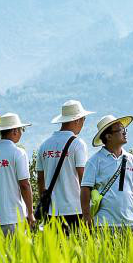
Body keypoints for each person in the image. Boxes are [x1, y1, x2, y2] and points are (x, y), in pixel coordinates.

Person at [36, 99, 92, 232]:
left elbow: (40, 179)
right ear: (76, 120)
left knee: (56, 251)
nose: (83, 123)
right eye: (83, 119)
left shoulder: (44, 145)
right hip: (75, 209)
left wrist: (45, 201)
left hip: (51, 211)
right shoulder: (78, 144)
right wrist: (88, 209)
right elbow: (82, 178)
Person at [80, 114, 133, 229]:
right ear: (109, 136)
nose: (125, 132)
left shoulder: (131, 159)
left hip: (131, 223)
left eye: (124, 129)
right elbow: (85, 189)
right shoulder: (95, 161)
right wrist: (86, 216)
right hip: (104, 224)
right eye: (120, 130)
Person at [0, 112, 34, 234]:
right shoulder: (18, 153)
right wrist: (30, 213)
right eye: (21, 129)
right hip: (13, 218)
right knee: (16, 252)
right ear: (14, 131)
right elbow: (25, 185)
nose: (21, 133)